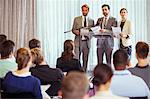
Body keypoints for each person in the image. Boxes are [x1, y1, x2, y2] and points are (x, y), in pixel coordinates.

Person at [72, 4, 94, 72]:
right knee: (76, 59)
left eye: (86, 10)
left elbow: (93, 32)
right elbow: (73, 29)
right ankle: (77, 73)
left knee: (85, 59)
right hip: (78, 41)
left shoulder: (91, 20)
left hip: (86, 42)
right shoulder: (76, 19)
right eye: (83, 10)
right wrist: (78, 32)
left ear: (88, 11)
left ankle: (84, 73)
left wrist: (88, 35)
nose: (84, 12)